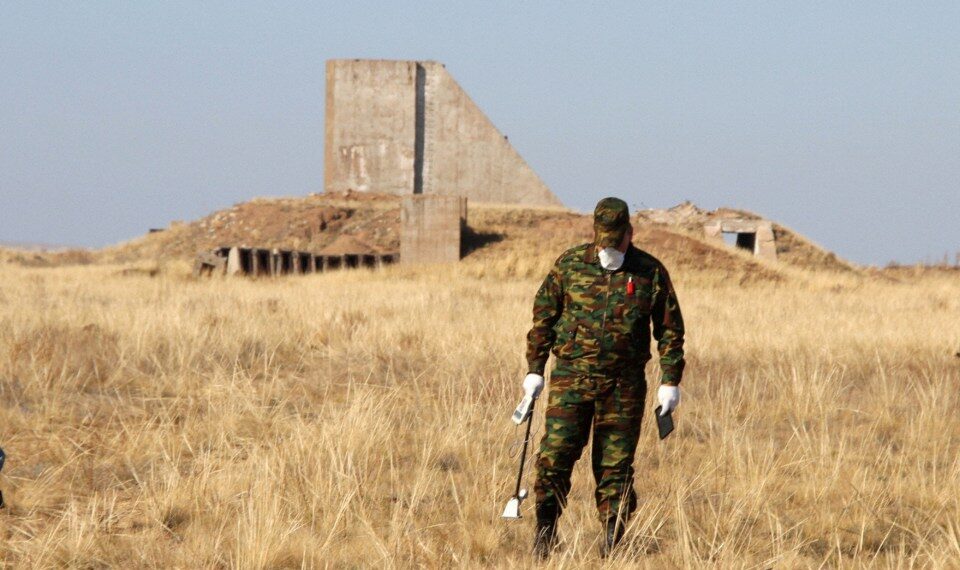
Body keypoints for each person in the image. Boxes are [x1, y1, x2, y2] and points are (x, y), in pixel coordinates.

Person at [522, 197, 686, 557]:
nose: (609, 246)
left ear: (630, 232)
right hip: (571, 381)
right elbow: (543, 319)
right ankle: (545, 533)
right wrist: (535, 370)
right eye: (603, 239)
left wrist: (670, 380)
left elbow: (670, 330)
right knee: (555, 457)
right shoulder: (569, 265)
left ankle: (612, 544)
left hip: (623, 387)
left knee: (614, 468)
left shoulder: (649, 272)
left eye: (616, 238)